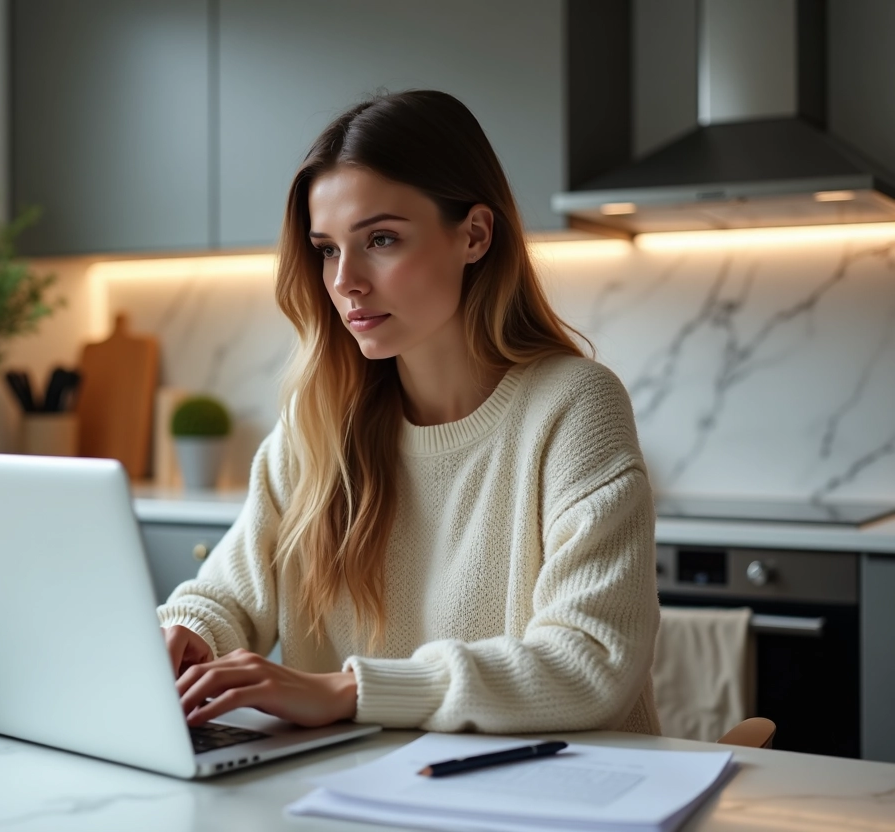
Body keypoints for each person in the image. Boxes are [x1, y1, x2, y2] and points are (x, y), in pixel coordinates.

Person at [159, 89, 661, 736]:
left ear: (475, 235)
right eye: (328, 249)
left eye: (382, 239)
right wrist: (188, 632)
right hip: (363, 796)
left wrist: (347, 690)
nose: (345, 282)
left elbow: (589, 663)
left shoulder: (573, 406)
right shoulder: (320, 421)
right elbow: (225, 593)